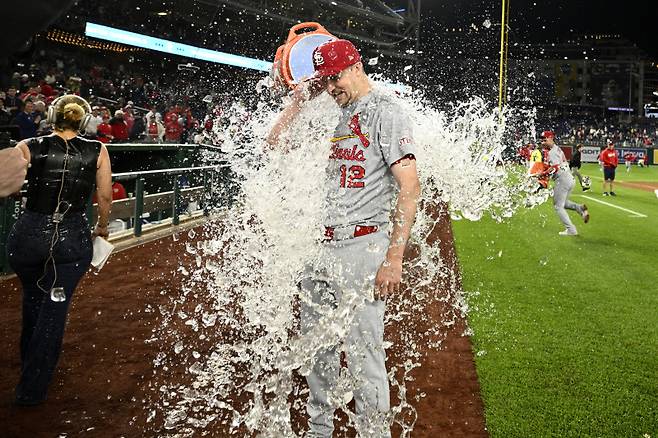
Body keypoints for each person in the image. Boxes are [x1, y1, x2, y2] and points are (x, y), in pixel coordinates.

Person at [268, 39, 420, 437]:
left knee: (364, 357)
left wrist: (394, 258)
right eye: (325, 82)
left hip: (362, 246)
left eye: (334, 78)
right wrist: (301, 100)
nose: (331, 87)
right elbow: (275, 145)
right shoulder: (329, 116)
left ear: (355, 67)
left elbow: (410, 187)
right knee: (316, 352)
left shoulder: (387, 112)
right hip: (319, 247)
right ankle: (319, 431)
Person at [6, 94, 113, 406]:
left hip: (28, 235)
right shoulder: (99, 149)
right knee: (54, 310)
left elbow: (8, 186)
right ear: (82, 120)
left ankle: (30, 361)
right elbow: (104, 197)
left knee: (33, 299)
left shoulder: (26, 145)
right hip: (70, 238)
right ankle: (32, 390)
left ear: (53, 116)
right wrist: (102, 228)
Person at [540, 130, 589, 236]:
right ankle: (579, 208)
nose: (542, 142)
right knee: (563, 203)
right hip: (569, 179)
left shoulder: (552, 152)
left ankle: (571, 229)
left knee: (558, 206)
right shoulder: (557, 149)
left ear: (551, 138)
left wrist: (542, 174)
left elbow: (555, 167)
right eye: (542, 140)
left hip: (562, 179)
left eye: (545, 140)